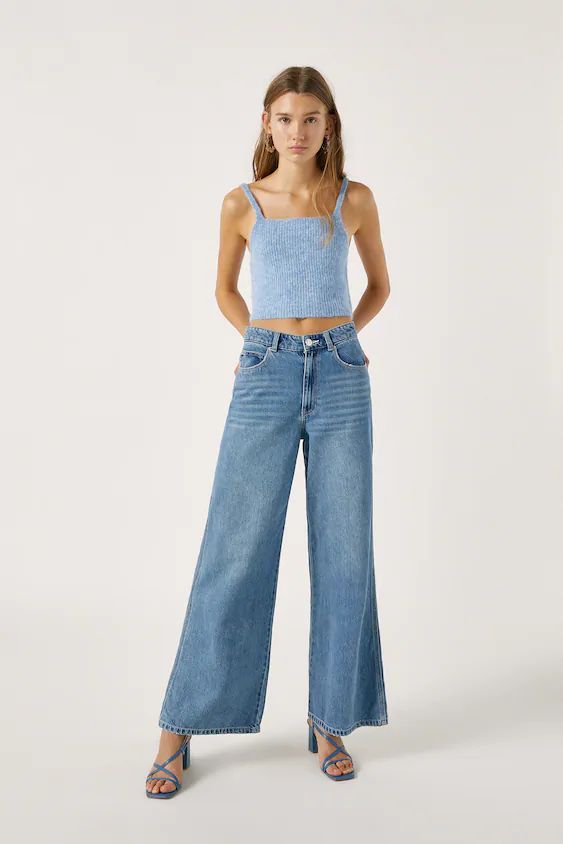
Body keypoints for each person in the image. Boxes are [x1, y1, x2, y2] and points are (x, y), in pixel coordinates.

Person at [145, 65, 391, 797]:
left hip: (341, 376)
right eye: (285, 118)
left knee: (346, 552)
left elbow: (379, 286)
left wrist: (345, 340)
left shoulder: (353, 199)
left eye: (310, 118)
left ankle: (330, 719)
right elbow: (225, 290)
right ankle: (178, 726)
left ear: (328, 125)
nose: (297, 131)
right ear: (266, 123)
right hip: (266, 371)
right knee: (235, 547)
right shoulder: (241, 202)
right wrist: (256, 343)